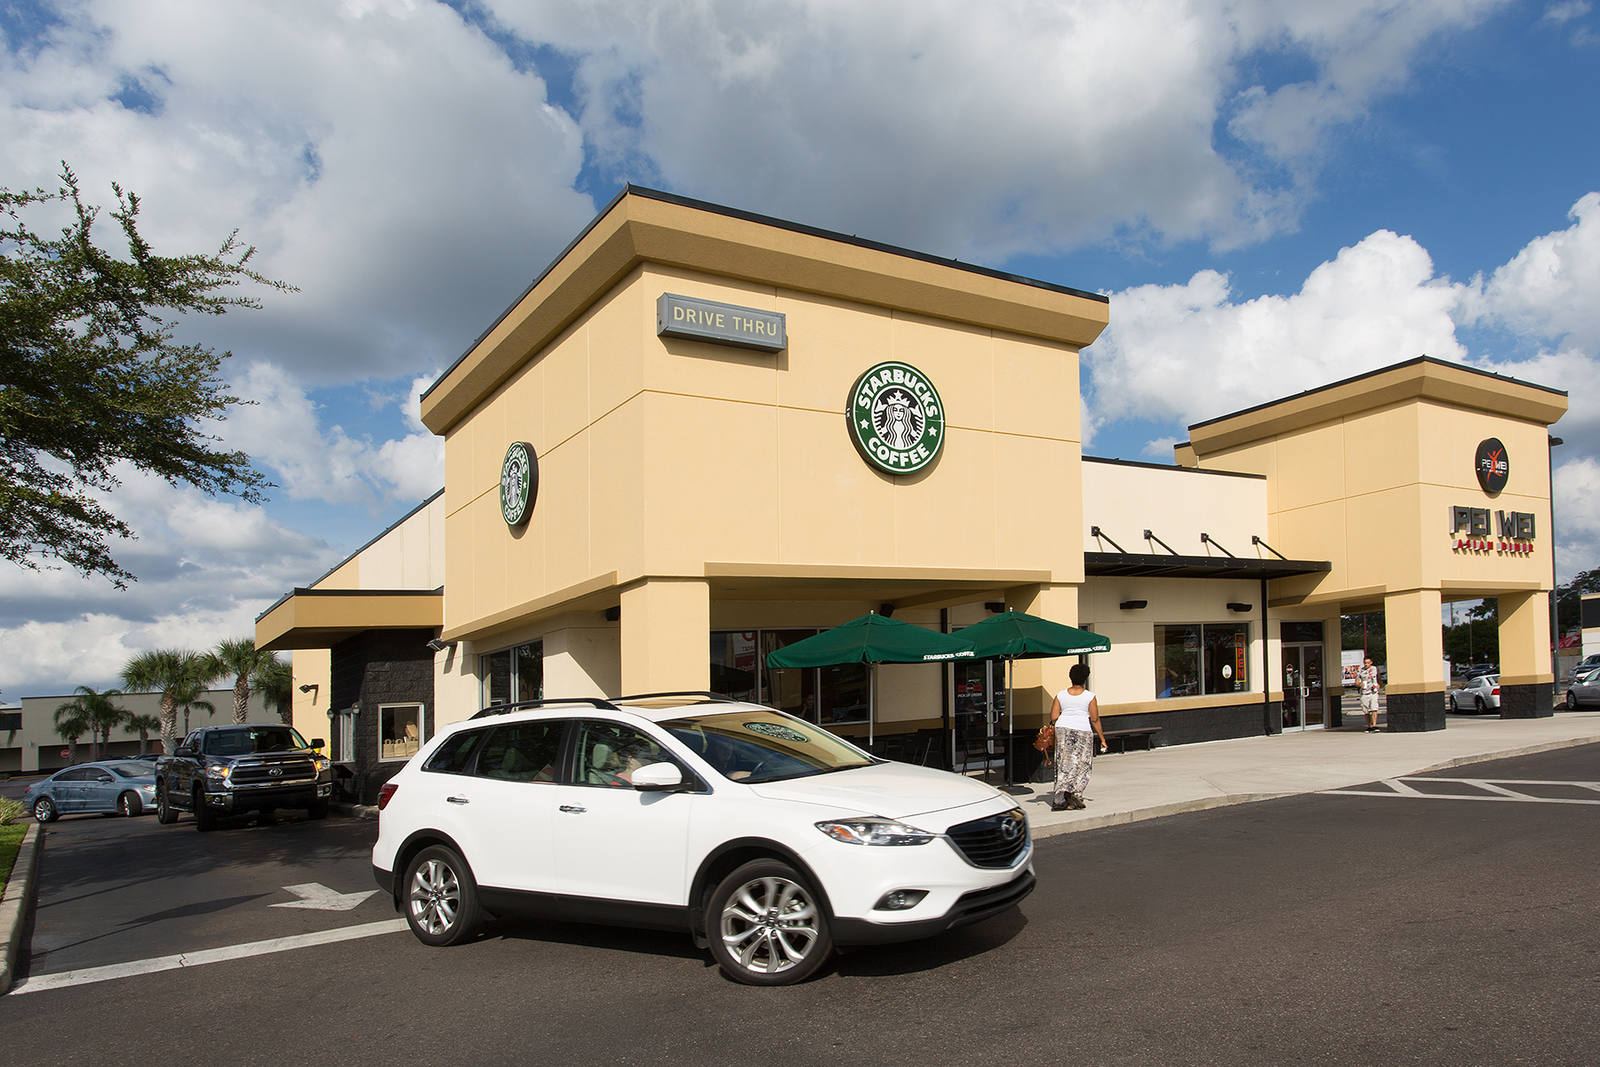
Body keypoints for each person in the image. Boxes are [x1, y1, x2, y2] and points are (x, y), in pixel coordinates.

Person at [1048, 662, 1108, 811]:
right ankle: (1075, 793)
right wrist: (1102, 738)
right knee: (1082, 763)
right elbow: (1094, 719)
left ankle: (1060, 797)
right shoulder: (1090, 696)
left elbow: (1054, 716)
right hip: (1082, 730)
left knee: (1063, 762)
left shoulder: (1060, 695)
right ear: (1085, 678)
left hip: (1062, 729)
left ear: (1071, 677)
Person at [1358, 657, 1382, 732]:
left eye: (1368, 663)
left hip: (1373, 692)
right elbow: (1356, 681)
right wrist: (1360, 684)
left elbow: (1379, 678)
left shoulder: (1375, 669)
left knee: (1374, 708)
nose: (1366, 664)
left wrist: (1378, 685)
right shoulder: (1360, 670)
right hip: (1364, 692)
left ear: (1371, 662)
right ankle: (1369, 726)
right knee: (1366, 710)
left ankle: (1374, 725)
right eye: (1365, 663)